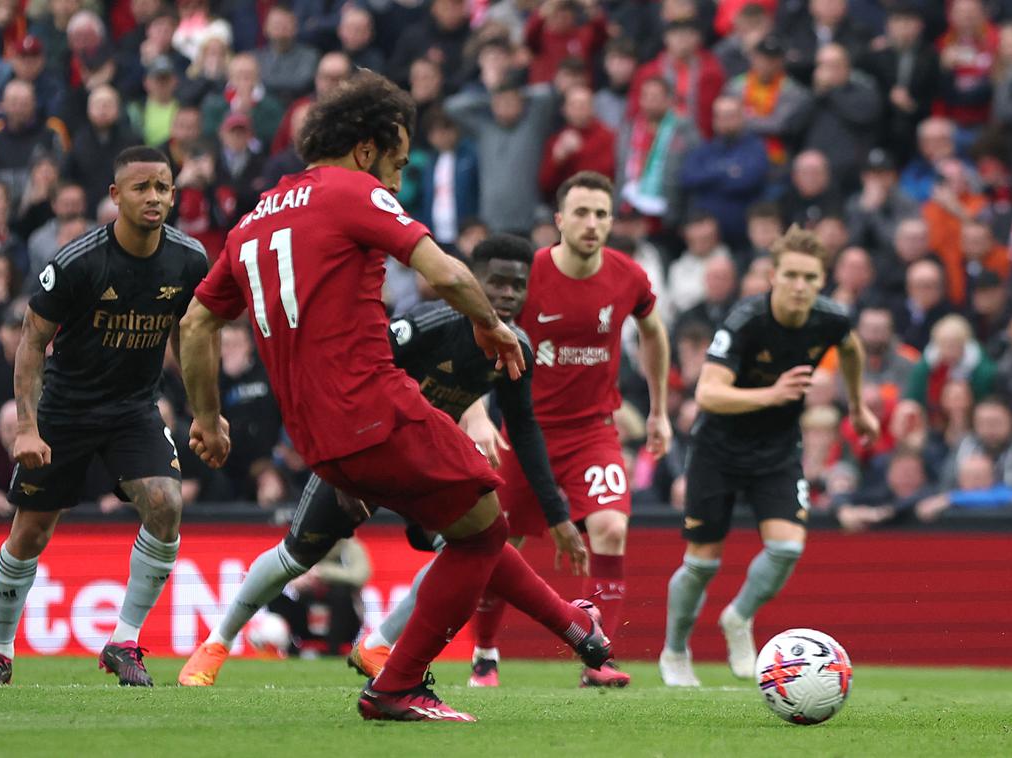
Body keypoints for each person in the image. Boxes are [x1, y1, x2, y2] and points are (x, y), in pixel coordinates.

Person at [177, 72, 611, 722]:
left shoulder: (252, 221)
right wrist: (492, 327)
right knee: (485, 529)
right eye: (396, 163)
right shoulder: (354, 193)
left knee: (472, 527)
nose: (396, 182)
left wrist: (207, 419)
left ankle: (574, 629)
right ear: (364, 149)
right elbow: (447, 272)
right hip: (374, 405)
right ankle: (395, 678)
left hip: (317, 440)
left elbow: (195, 323)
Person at [177, 233, 589, 686]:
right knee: (297, 555)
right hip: (364, 451)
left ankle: (379, 644)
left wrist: (557, 515)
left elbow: (525, 430)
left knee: (471, 549)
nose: (508, 294)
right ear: (473, 281)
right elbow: (352, 379)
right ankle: (217, 642)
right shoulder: (427, 325)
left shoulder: (518, 348)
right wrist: (343, 474)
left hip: (426, 464)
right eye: (498, 283)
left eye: (518, 285)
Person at [0, 146, 212, 687]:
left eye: (163, 188)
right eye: (142, 187)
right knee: (30, 534)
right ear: (115, 195)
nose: (154, 197)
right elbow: (31, 342)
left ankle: (123, 643)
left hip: (133, 410)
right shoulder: (77, 262)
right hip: (66, 409)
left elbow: (194, 334)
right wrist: (27, 427)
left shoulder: (190, 260)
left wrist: (206, 414)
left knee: (167, 504)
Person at [451, 170, 671, 688]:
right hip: (527, 434)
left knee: (612, 528)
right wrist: (477, 411)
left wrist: (659, 410)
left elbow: (654, 332)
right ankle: (484, 654)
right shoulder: (528, 277)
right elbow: (478, 337)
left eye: (601, 214)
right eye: (581, 213)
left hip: (594, 431)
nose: (592, 223)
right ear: (559, 220)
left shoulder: (628, 276)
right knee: (501, 544)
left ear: (612, 220)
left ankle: (598, 659)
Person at [659, 225, 879, 687]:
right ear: (773, 276)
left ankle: (738, 617)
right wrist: (774, 393)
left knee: (786, 546)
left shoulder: (831, 319)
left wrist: (858, 407)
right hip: (718, 448)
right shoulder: (745, 320)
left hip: (777, 449)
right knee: (702, 563)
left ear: (822, 281)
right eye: (792, 275)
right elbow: (709, 394)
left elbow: (852, 349)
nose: (801, 286)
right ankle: (675, 652)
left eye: (810, 278)